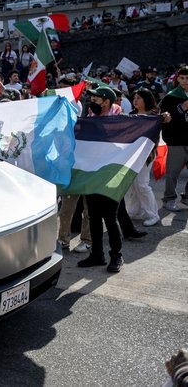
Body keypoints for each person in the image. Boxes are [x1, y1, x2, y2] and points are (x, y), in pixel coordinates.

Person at [78, 87, 127, 271]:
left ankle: (116, 256)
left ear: (106, 101)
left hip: (110, 177)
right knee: (94, 217)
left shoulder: (119, 121)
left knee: (110, 218)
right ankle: (97, 255)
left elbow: (140, 125)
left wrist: (162, 118)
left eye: (96, 99)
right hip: (92, 175)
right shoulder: (89, 120)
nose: (92, 102)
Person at [125, 88, 168, 226]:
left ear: (146, 99)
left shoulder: (155, 115)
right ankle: (135, 211)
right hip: (132, 154)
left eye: (139, 98)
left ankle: (152, 215)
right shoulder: (131, 115)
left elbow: (167, 118)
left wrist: (166, 116)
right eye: (134, 98)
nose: (135, 101)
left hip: (147, 155)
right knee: (133, 184)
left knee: (142, 184)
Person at [159, 66, 188, 211]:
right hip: (176, 140)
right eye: (182, 78)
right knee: (173, 173)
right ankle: (169, 199)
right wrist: (182, 108)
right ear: (177, 79)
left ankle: (187, 196)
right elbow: (165, 118)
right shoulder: (171, 96)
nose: (185, 81)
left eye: (187, 78)